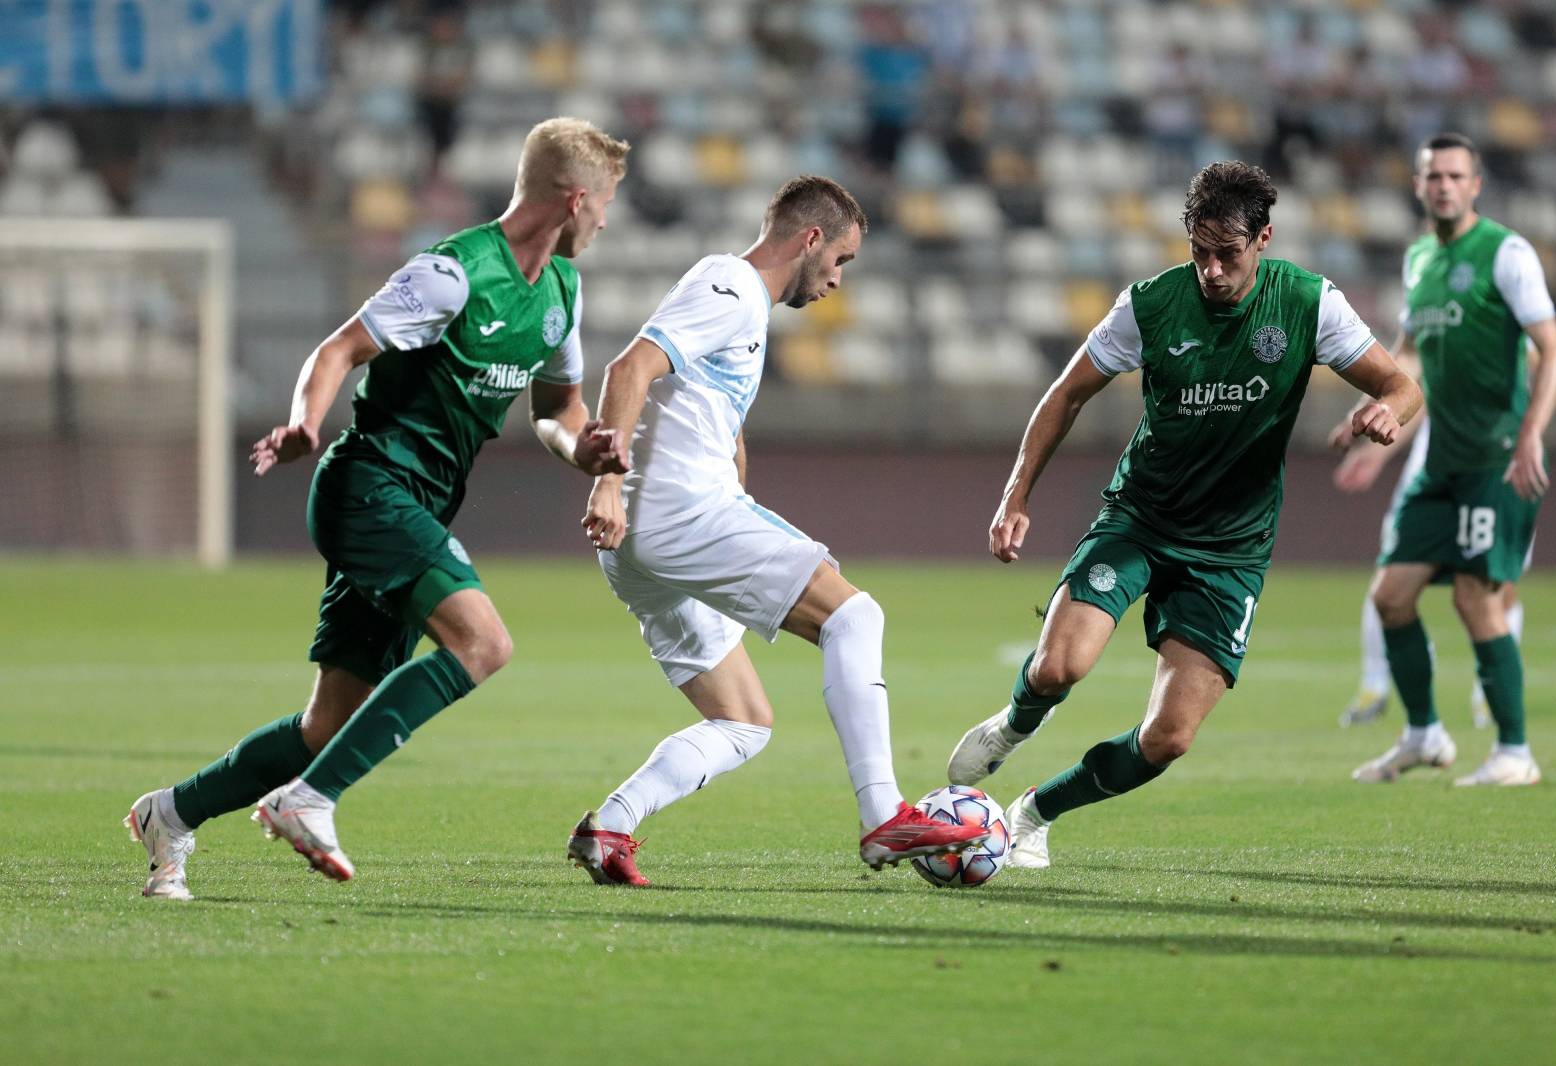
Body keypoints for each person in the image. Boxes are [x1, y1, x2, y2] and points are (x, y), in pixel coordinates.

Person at [124, 117, 632, 899]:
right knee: (484, 644)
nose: (604, 222)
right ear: (573, 200)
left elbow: (557, 409)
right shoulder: (454, 273)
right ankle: (309, 801)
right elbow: (338, 350)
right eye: (602, 205)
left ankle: (172, 813)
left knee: (327, 727)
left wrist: (584, 450)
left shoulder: (563, 290)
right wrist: (304, 419)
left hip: (417, 503)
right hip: (369, 484)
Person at [945, 161, 1421, 868]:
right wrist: (1016, 495)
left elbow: (1400, 383)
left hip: (1230, 550)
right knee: (1058, 668)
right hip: (1140, 519)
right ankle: (1014, 726)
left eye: (1227, 254)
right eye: (1199, 251)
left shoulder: (1308, 304)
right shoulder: (1151, 305)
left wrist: (1389, 410)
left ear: (1264, 239)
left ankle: (1036, 811)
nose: (1211, 270)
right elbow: (1066, 394)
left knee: (1167, 739)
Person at [566, 176, 988, 886]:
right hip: (675, 511)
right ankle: (884, 816)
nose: (838, 281)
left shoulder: (745, 314)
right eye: (842, 261)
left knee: (743, 721)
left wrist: (726, 470)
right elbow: (630, 366)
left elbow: (702, 410)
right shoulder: (730, 284)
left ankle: (610, 826)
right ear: (812, 239)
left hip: (645, 540)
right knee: (855, 616)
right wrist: (607, 481)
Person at [1350, 133, 1556, 787]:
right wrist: (1373, 412)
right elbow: (1409, 353)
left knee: (1478, 598)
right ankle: (1423, 735)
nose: (1442, 185)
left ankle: (1514, 752)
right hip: (1438, 460)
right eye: (1432, 175)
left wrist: (1531, 432)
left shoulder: (1506, 253)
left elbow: (1552, 350)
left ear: (1475, 185)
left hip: (1495, 459)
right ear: (1418, 186)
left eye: (1454, 175)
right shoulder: (1419, 259)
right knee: (1391, 597)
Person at [1331, 415, 1528, 732]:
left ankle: (1493, 702)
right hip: (1432, 465)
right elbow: (1417, 388)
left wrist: (1530, 434)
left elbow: (1549, 366)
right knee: (1389, 582)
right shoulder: (1435, 364)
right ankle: (1378, 687)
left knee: (1493, 586)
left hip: (1496, 459)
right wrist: (1377, 452)